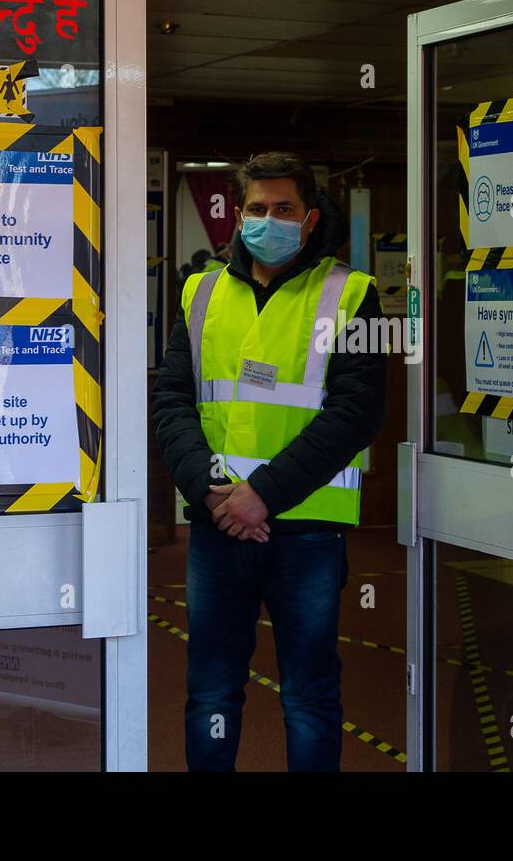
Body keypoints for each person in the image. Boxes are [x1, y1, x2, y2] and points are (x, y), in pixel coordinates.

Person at [151, 151, 387, 771]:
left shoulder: (353, 294)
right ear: (238, 214)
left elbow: (355, 414)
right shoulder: (200, 291)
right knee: (210, 694)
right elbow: (171, 398)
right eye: (257, 208)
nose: (268, 219)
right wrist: (211, 490)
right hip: (217, 526)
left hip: (306, 531)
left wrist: (263, 494)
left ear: (310, 219)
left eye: (284, 209)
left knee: (309, 698)